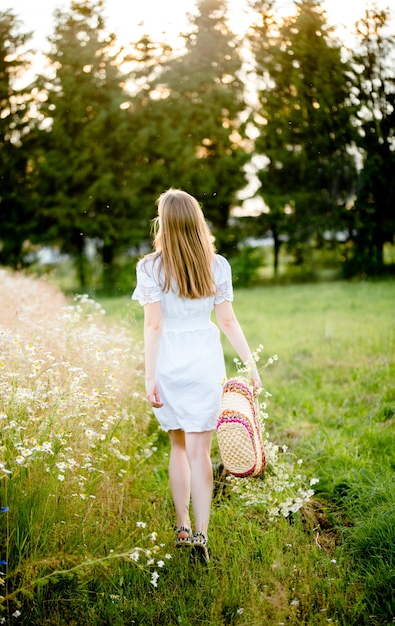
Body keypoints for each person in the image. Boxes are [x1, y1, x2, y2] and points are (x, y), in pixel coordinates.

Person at [132, 188, 261, 564]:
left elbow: (153, 327)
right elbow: (227, 320)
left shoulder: (149, 268)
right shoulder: (217, 265)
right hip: (205, 363)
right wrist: (250, 364)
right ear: (198, 221)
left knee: (178, 446)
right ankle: (202, 533)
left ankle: (182, 526)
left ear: (164, 224)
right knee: (201, 453)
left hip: (170, 364)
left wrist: (149, 376)